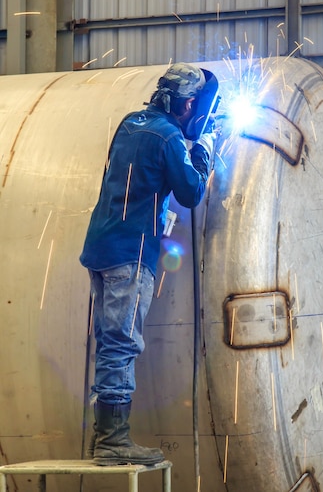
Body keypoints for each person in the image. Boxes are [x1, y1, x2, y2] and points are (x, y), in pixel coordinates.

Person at [80, 62, 218, 466]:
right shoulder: (169, 136)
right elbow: (191, 191)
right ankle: (113, 441)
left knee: (109, 343)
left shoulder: (130, 123)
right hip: (131, 253)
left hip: (100, 247)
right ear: (188, 103)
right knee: (122, 343)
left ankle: (104, 436)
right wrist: (205, 147)